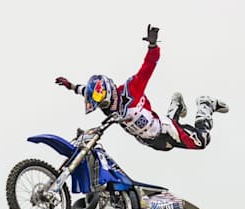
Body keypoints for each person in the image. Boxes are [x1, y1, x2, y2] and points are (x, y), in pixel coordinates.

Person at [55, 25, 228, 151]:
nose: (101, 105)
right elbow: (85, 91)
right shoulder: (102, 102)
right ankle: (177, 105)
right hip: (150, 141)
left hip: (165, 131)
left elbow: (148, 66)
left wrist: (152, 46)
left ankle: (205, 105)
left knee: (202, 141)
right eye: (97, 102)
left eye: (100, 100)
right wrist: (70, 85)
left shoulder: (131, 88)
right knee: (166, 146)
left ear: (108, 90)